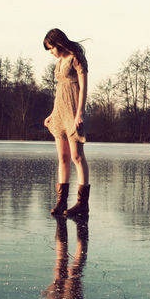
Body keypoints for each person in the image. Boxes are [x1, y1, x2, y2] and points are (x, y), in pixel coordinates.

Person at [43, 28, 90, 217]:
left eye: (51, 47)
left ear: (58, 43)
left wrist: (80, 113)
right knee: (62, 158)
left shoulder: (77, 58)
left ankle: (81, 204)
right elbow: (60, 90)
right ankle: (61, 202)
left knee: (77, 157)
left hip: (73, 111)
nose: (51, 52)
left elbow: (84, 87)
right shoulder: (60, 61)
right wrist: (53, 114)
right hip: (60, 112)